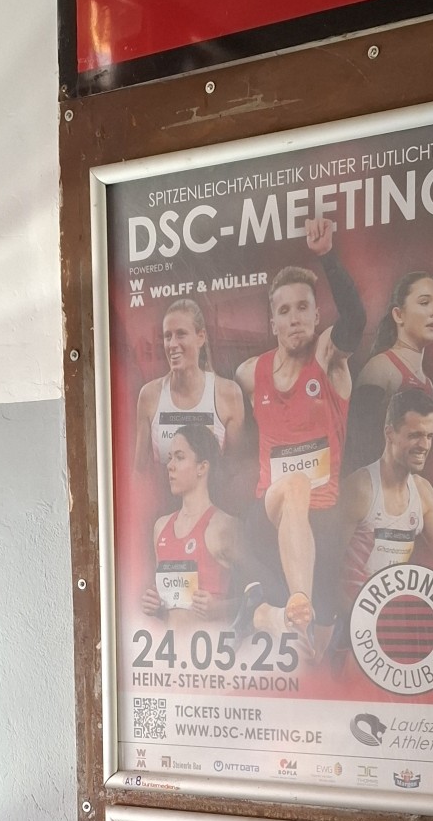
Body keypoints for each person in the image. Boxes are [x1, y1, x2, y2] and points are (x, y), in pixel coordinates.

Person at [234, 218, 365, 649]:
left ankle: (263, 614)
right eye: (285, 311)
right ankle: (297, 599)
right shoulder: (249, 374)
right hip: (268, 516)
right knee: (293, 484)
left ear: (317, 315)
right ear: (272, 321)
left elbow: (356, 320)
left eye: (303, 308)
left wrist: (328, 256)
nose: (295, 318)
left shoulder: (328, 360)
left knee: (316, 651)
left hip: (320, 523)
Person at [339, 386, 433, 604]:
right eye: (415, 435)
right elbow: (326, 570)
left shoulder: (422, 493)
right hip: (349, 619)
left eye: (429, 436)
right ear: (389, 433)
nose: (424, 445)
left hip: (389, 617)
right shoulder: (360, 489)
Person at [344, 271, 433, 475]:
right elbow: (359, 442)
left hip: (410, 486)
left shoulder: (427, 382)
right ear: (398, 315)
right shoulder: (380, 369)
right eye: (424, 302)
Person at [134, 299, 245, 473]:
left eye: (181, 334)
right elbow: (138, 473)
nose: (172, 344)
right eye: (167, 336)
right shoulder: (149, 395)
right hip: (163, 491)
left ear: (201, 337)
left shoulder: (227, 393)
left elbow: (237, 471)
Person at [141, 423, 238, 620]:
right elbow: (170, 605)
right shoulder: (161, 527)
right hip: (170, 640)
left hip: (214, 638)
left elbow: (261, 597)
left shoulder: (224, 526)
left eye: (179, 457)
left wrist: (220, 608)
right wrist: (155, 605)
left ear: (202, 467)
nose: (170, 465)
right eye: (170, 458)